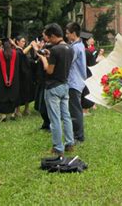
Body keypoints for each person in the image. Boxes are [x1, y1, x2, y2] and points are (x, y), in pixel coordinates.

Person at [33, 23, 74, 156]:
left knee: (55, 118)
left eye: (49, 38)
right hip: (65, 85)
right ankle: (69, 143)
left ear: (53, 36)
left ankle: (58, 147)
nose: (48, 41)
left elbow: (49, 70)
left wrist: (44, 58)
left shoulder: (56, 50)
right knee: (66, 116)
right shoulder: (69, 48)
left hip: (53, 87)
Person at [65, 22, 87, 144]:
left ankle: (78, 136)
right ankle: (77, 134)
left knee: (75, 110)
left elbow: (67, 63)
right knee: (75, 109)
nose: (66, 35)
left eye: (67, 33)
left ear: (73, 34)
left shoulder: (75, 47)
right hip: (78, 82)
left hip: (74, 83)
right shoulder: (79, 45)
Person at [0, 39, 20, 122]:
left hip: (0, 79)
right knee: (12, 95)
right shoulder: (16, 54)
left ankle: (3, 115)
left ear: (2, 46)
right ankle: (12, 114)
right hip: (14, 80)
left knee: (2, 95)